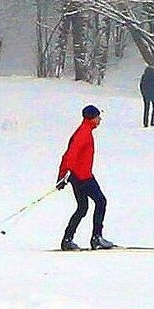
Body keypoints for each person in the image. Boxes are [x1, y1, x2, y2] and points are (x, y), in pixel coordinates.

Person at [56, 105, 114, 251]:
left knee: (82, 208)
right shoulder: (83, 133)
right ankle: (97, 238)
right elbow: (70, 154)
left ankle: (67, 239)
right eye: (98, 117)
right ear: (92, 118)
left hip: (78, 175)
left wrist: (63, 175)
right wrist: (64, 174)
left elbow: (68, 155)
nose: (100, 119)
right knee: (101, 202)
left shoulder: (84, 131)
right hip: (83, 176)